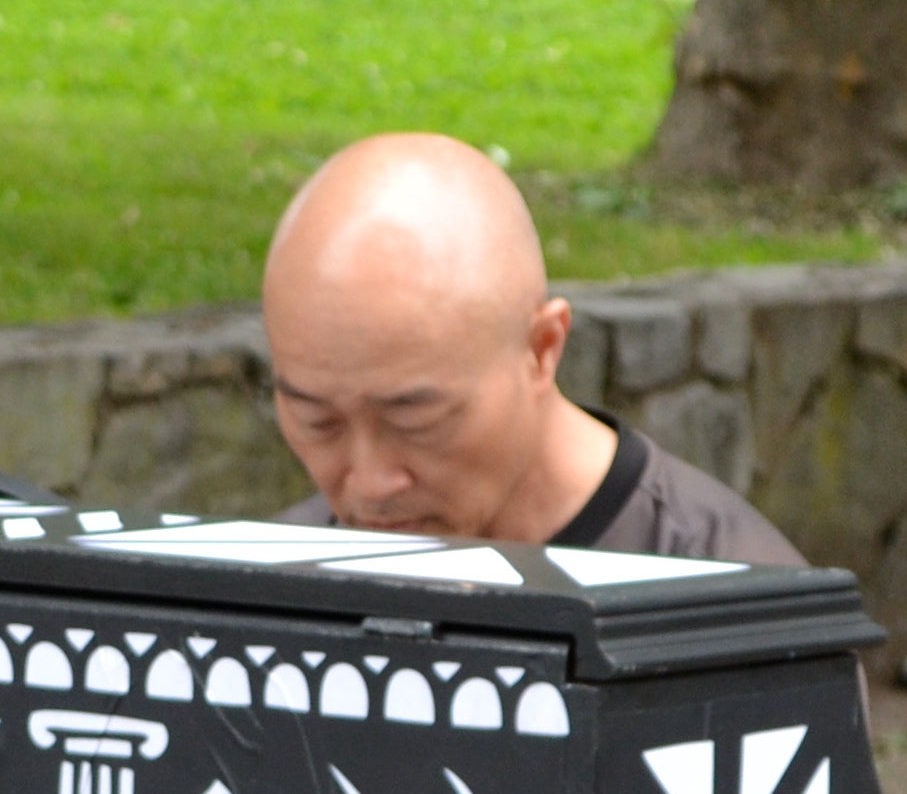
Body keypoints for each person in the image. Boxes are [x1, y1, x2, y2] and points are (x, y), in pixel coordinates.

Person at [262, 131, 803, 565]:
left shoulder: (737, 615)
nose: (371, 483)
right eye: (317, 420)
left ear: (542, 349)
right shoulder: (261, 598)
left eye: (416, 421)